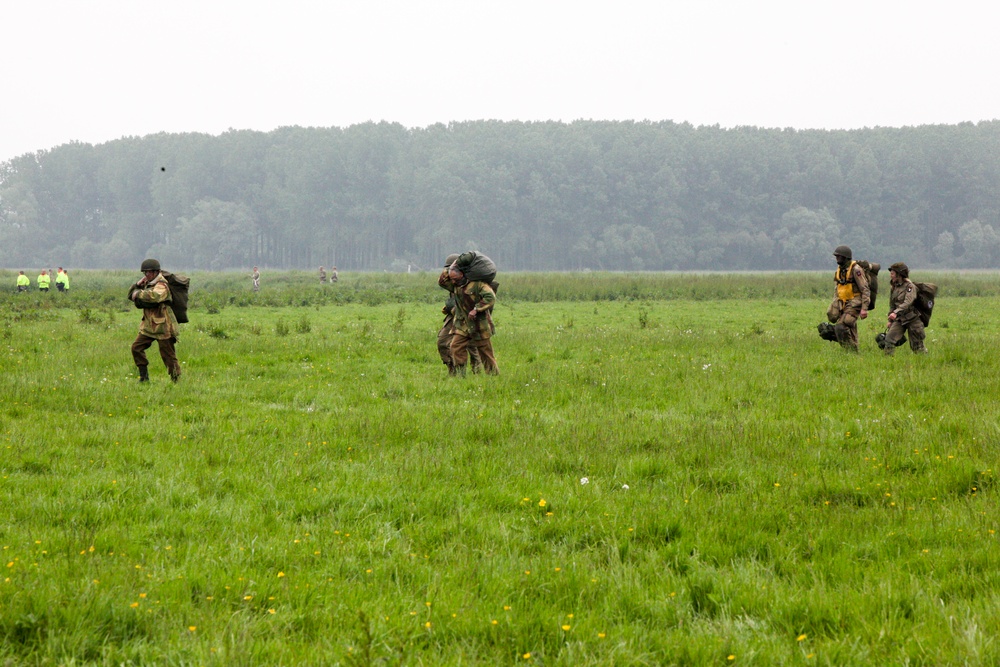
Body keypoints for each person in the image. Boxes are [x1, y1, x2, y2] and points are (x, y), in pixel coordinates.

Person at [128, 258, 182, 382]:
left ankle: (176, 381)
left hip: (163, 326)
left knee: (168, 356)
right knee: (136, 348)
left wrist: (138, 294)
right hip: (148, 326)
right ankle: (144, 377)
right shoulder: (147, 283)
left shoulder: (162, 284)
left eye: (149, 272)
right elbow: (130, 295)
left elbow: (154, 297)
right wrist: (137, 285)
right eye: (145, 272)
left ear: (156, 272)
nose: (147, 275)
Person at [448, 263, 499, 375]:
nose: (453, 282)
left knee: (485, 352)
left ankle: (493, 376)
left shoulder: (478, 284)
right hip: (463, 323)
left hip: (479, 324)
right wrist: (454, 263)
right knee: (455, 346)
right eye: (451, 279)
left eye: (455, 278)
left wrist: (477, 309)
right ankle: (461, 374)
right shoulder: (455, 284)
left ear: (462, 274)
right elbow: (442, 281)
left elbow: (490, 297)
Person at [437, 254, 482, 375]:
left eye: (452, 269)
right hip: (454, 318)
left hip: (469, 318)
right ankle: (454, 371)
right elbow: (442, 282)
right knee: (442, 342)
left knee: (473, 348)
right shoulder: (452, 281)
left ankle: (478, 375)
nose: (448, 272)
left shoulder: (470, 283)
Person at [826, 245, 869, 352]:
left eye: (838, 256)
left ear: (845, 257)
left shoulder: (856, 269)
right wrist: (835, 304)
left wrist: (864, 308)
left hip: (855, 302)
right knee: (849, 328)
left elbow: (865, 289)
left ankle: (852, 351)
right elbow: (837, 288)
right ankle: (853, 352)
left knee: (841, 326)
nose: (836, 258)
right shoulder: (839, 270)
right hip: (842, 303)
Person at [882, 262, 927, 355]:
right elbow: (892, 304)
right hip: (899, 319)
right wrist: (890, 320)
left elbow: (908, 302)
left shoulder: (910, 287)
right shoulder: (894, 287)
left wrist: (896, 312)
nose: (891, 276)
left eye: (892, 273)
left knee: (917, 346)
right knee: (889, 340)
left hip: (912, 318)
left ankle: (924, 362)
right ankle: (888, 363)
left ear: (899, 274)